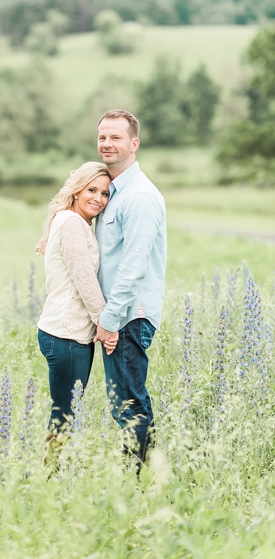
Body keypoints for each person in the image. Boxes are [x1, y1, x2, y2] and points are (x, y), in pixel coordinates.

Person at [93, 109, 167, 466]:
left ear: (134, 144)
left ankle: (137, 480)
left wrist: (108, 319)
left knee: (128, 403)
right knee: (125, 400)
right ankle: (148, 472)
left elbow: (133, 267)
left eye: (116, 137)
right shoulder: (116, 191)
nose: (107, 143)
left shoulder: (138, 196)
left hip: (128, 316)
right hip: (120, 315)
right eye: (103, 137)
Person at [35, 162, 117, 462]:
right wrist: (105, 323)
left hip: (67, 334)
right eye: (92, 190)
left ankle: (58, 473)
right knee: (65, 416)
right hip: (65, 334)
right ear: (76, 190)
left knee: (67, 412)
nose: (98, 198)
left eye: (105, 193)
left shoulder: (72, 221)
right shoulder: (71, 223)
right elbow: (84, 279)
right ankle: (53, 478)